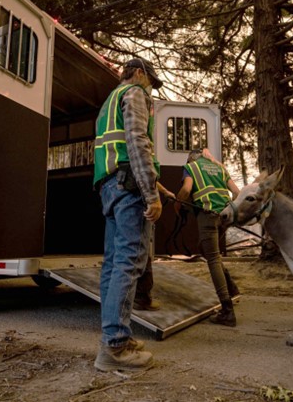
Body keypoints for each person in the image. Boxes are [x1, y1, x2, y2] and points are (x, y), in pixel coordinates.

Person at [93, 57, 164, 371]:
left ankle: (113, 334)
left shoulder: (109, 102)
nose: (151, 90)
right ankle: (115, 345)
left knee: (112, 264)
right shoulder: (134, 93)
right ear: (138, 74)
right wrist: (152, 193)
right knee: (130, 261)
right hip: (130, 187)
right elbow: (137, 142)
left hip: (110, 185)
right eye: (150, 81)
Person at [174, 149, 241, 326]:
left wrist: (177, 203)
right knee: (209, 250)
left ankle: (227, 310)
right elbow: (237, 192)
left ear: (191, 159)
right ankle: (232, 287)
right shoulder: (220, 168)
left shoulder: (191, 167)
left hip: (207, 215)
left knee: (212, 258)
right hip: (224, 217)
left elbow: (186, 189)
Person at [134, 182, 176, 311]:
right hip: (137, 202)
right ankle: (142, 298)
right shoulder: (142, 162)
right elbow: (147, 176)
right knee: (143, 249)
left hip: (118, 199)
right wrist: (158, 197)